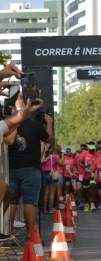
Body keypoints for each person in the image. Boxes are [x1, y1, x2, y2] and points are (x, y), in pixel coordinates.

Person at [8, 95, 52, 242]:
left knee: (12, 202)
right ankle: (30, 236)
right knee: (30, 202)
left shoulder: (9, 124)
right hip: (31, 168)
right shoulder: (36, 126)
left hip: (12, 169)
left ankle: (9, 235)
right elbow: (48, 139)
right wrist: (49, 123)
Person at [78, 142, 100, 212]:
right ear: (88, 148)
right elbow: (80, 163)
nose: (92, 150)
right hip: (85, 174)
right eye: (91, 149)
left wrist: (95, 172)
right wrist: (85, 166)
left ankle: (93, 203)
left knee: (93, 186)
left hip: (93, 174)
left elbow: (98, 164)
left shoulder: (97, 155)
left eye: (93, 149)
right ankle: (86, 203)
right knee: (86, 190)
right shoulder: (84, 153)